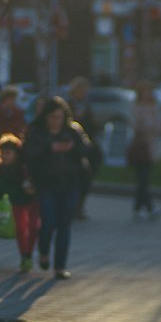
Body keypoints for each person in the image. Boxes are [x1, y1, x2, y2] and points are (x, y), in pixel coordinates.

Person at [24, 95, 88, 280]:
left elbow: (87, 150)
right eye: (53, 117)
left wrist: (72, 147)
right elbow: (29, 153)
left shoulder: (73, 131)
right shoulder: (37, 131)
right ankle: (44, 252)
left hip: (70, 184)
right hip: (46, 184)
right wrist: (49, 147)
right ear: (46, 117)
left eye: (60, 117)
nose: (56, 121)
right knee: (48, 222)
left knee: (64, 226)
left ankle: (60, 266)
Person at [0, 134, 39, 273]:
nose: (5, 156)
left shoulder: (23, 167)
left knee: (33, 227)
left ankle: (29, 253)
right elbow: (1, 186)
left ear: (16, 153)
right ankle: (24, 255)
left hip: (31, 199)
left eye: (8, 153)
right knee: (20, 228)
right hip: (16, 201)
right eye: (3, 153)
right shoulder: (1, 168)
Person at [64, 76, 98, 219]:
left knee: (86, 178)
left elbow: (93, 125)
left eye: (85, 89)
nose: (83, 92)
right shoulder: (68, 105)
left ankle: (80, 206)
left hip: (85, 145)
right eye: (80, 89)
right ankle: (71, 207)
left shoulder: (86, 105)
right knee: (73, 179)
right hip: (71, 147)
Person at [128, 80, 161, 219]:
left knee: (144, 178)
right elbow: (134, 124)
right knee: (142, 179)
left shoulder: (154, 107)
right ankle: (149, 206)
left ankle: (138, 207)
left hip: (151, 146)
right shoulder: (136, 107)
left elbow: (159, 125)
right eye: (144, 92)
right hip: (141, 146)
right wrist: (146, 126)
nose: (146, 95)